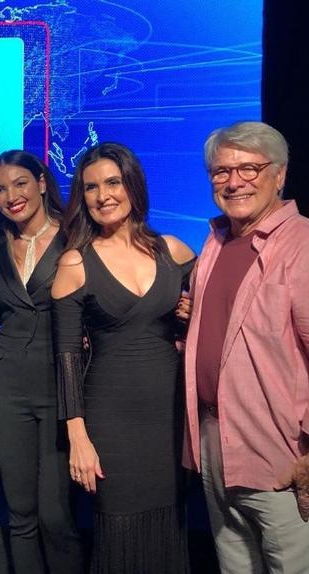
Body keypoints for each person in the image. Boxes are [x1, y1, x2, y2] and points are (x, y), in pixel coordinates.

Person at [50, 143, 195, 573]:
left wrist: (191, 316)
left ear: (132, 184)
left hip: (169, 418)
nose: (103, 195)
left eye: (112, 182)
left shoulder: (174, 250)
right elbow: (66, 357)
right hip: (110, 420)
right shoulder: (75, 262)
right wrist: (78, 438)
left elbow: (215, 314)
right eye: (91, 187)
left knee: (169, 527)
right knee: (118, 532)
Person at [182, 121, 309, 573]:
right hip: (215, 443)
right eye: (221, 171)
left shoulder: (302, 245)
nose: (234, 182)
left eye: (249, 169)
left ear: (280, 174)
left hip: (282, 454)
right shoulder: (216, 242)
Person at [0, 150, 83, 573]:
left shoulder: (76, 237)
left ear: (41, 183)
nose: (12, 196)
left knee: (56, 515)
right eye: (0, 190)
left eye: (20, 183)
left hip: (59, 385)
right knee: (20, 514)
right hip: (6, 387)